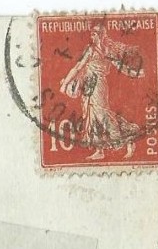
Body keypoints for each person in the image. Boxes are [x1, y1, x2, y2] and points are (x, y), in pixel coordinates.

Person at [59, 24, 145, 161]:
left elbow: (120, 67)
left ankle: (129, 139)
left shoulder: (107, 51)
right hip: (88, 85)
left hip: (99, 85)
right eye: (91, 34)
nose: (91, 37)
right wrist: (65, 84)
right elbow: (77, 68)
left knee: (102, 114)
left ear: (100, 35)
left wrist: (136, 73)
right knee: (91, 116)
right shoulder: (90, 49)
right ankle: (99, 150)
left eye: (94, 34)